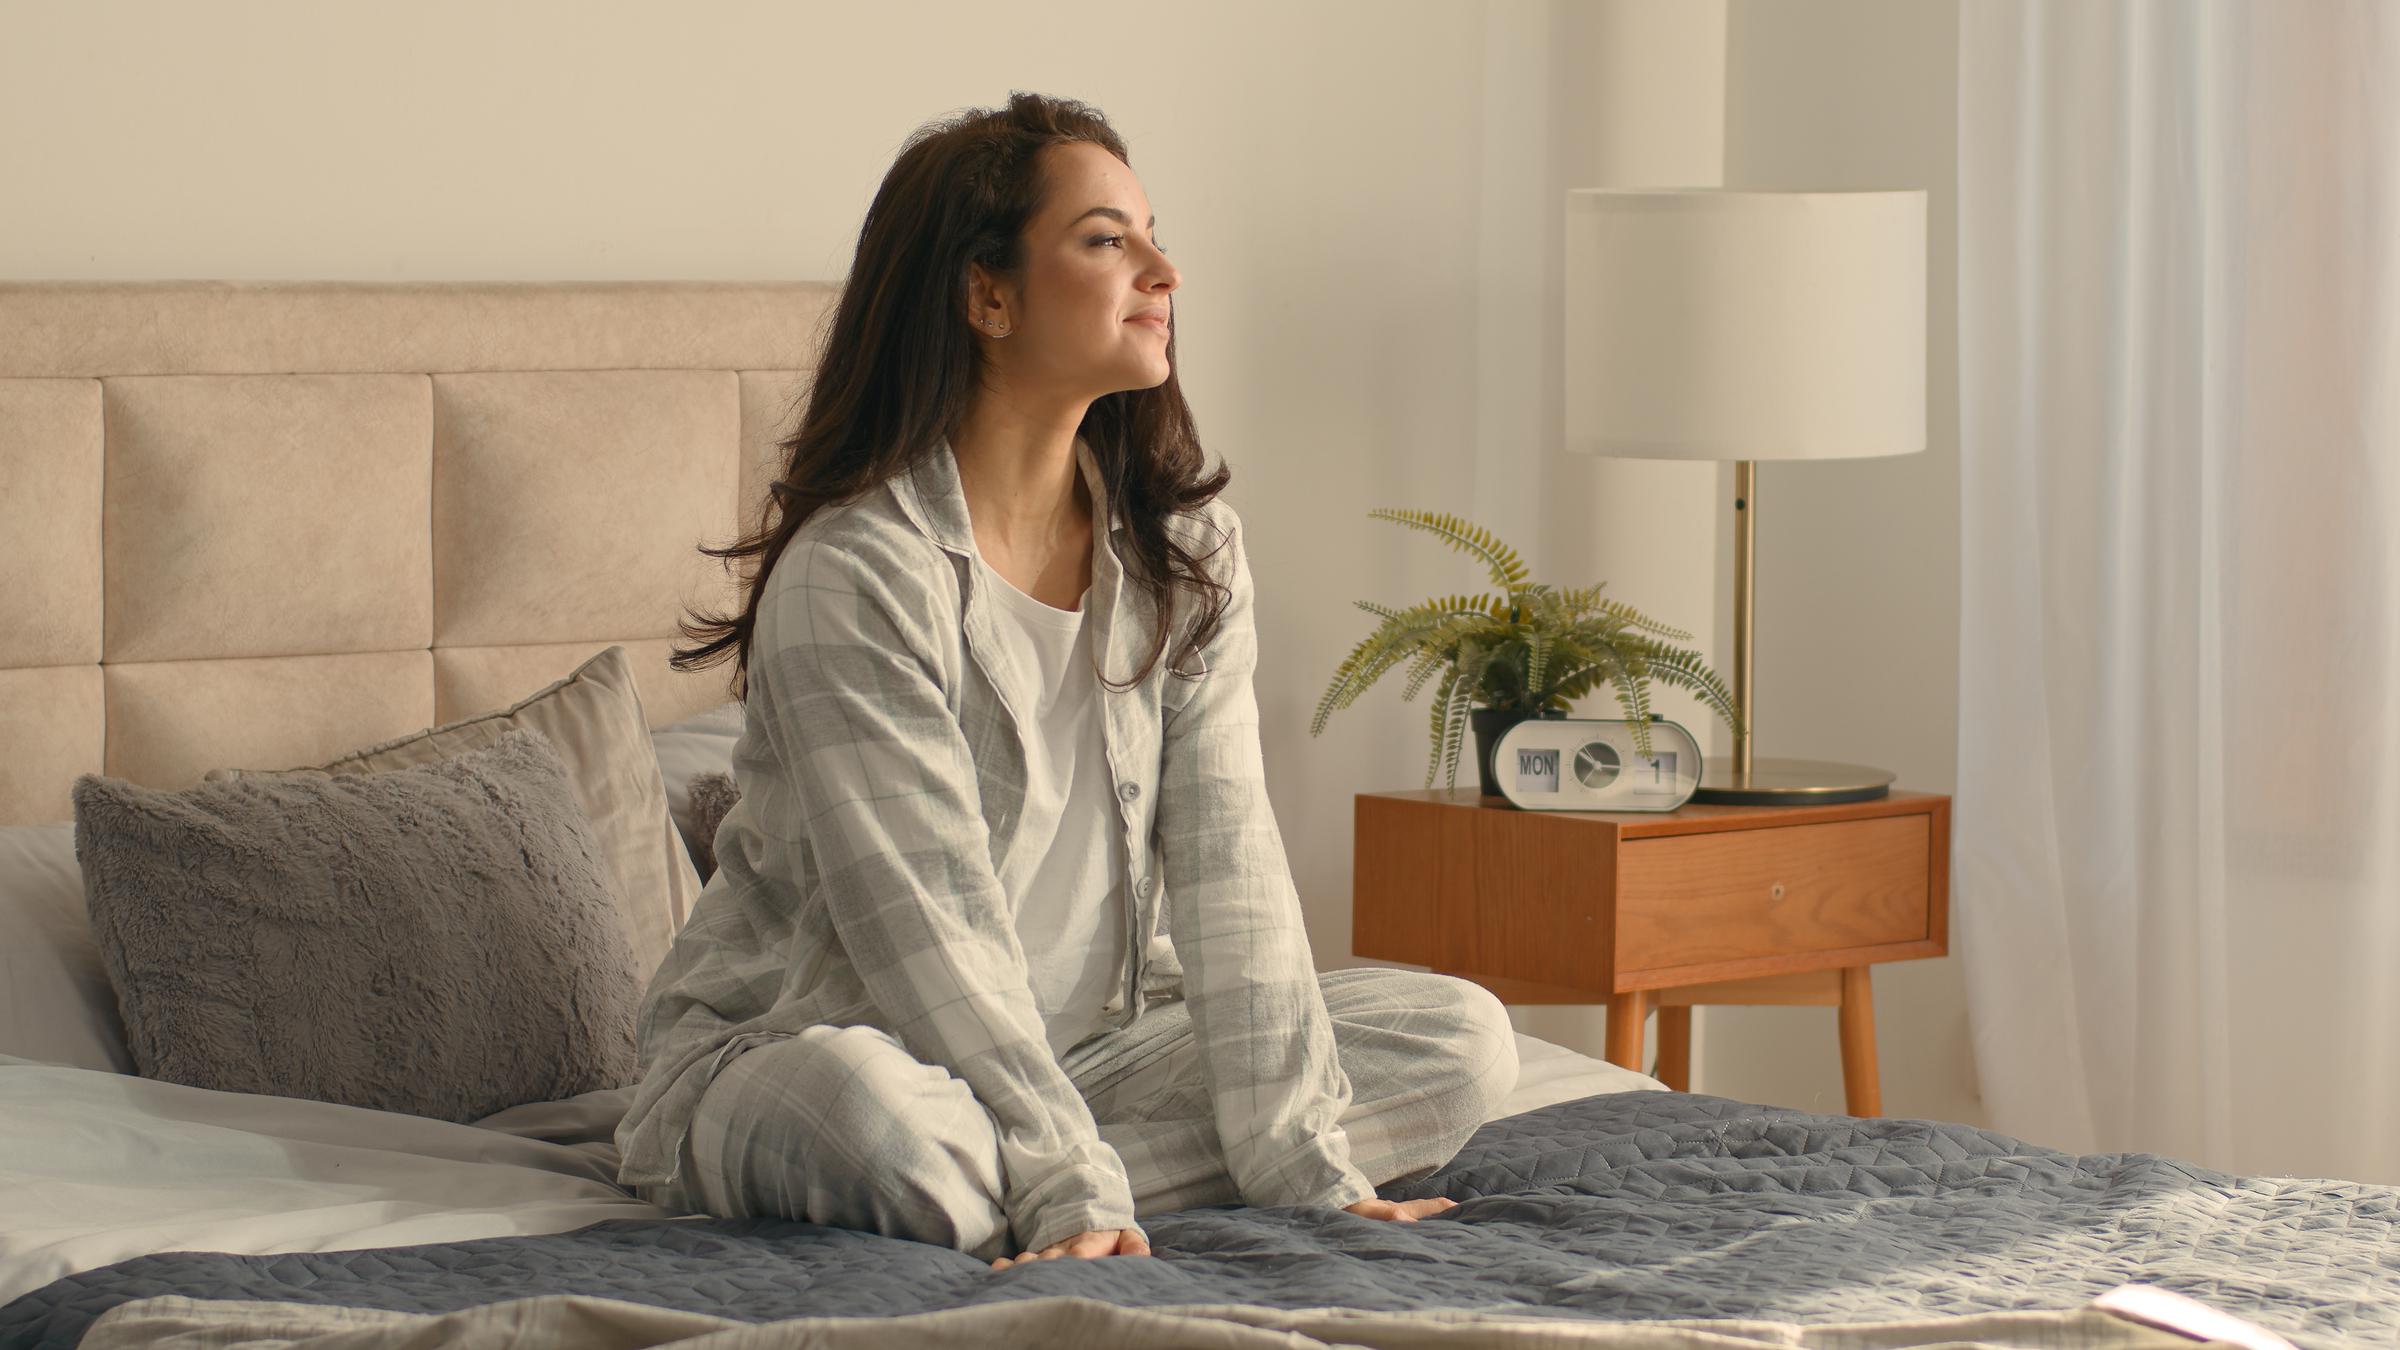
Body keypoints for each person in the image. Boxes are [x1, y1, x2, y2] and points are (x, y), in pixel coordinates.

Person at [612, 91, 1519, 1270]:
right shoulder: (857, 573)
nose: (1164, 272)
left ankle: (1037, 1178)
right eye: (1106, 240)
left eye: (1153, 236)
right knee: (878, 1126)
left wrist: (1305, 1171)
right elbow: (927, 924)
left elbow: (1231, 867)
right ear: (987, 296)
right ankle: (1060, 1175)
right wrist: (1066, 1181)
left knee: (1464, 1039)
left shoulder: (1186, 554)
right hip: (830, 1048)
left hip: (1098, 1048)